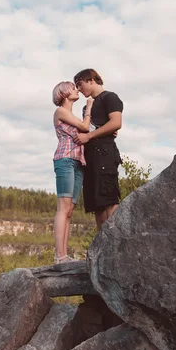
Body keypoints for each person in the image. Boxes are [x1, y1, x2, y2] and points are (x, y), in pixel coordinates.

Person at [72, 69, 123, 230]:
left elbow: (116, 123)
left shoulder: (110, 97)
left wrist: (91, 135)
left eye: (80, 84)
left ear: (91, 80)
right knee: (96, 204)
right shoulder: (86, 107)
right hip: (90, 157)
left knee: (109, 200)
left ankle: (116, 243)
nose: (79, 89)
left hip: (105, 154)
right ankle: (102, 248)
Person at [52, 81, 94, 264]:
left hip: (78, 162)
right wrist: (89, 108)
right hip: (65, 160)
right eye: (73, 87)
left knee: (69, 210)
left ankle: (64, 254)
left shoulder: (72, 115)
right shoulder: (61, 111)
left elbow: (88, 131)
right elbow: (85, 127)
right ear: (63, 93)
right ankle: (59, 255)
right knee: (63, 207)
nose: (77, 90)